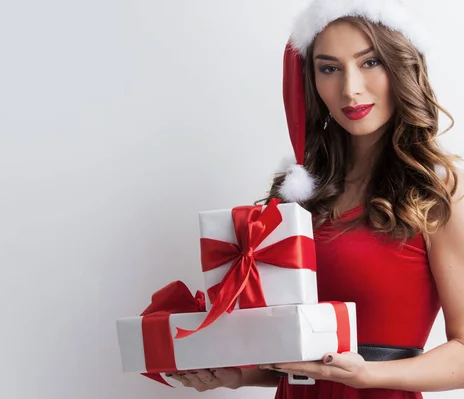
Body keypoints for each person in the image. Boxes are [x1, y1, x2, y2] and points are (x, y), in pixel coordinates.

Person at [167, 0, 464, 398]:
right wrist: (238, 376)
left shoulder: (438, 192)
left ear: (400, 67)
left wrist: (365, 376)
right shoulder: (300, 194)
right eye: (329, 68)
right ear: (311, 80)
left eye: (370, 62)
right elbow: (299, 353)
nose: (350, 88)